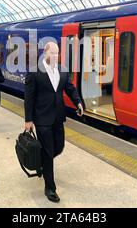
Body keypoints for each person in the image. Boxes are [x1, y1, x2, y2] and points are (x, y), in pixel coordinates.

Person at [24, 41, 83, 203]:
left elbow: (69, 88)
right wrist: (28, 119)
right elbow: (29, 98)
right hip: (42, 118)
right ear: (45, 52)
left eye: (57, 53)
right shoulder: (35, 72)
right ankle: (50, 187)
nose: (55, 56)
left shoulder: (62, 69)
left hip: (58, 116)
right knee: (49, 152)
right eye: (52, 53)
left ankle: (43, 163)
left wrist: (77, 102)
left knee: (59, 146)